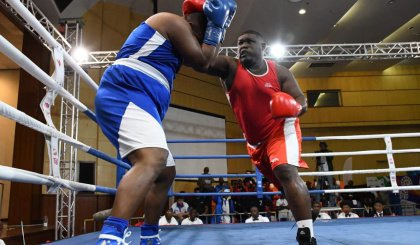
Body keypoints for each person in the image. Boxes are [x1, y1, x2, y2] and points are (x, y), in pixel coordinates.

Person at [94, 0, 236, 244]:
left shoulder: (178, 45)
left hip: (142, 100)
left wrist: (217, 28)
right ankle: (111, 235)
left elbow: (208, 60)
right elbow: (204, 61)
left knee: (166, 172)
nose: (205, 40)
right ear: (197, 23)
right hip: (126, 92)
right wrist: (216, 27)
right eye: (206, 30)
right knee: (153, 159)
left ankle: (149, 234)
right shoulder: (172, 21)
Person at [207, 30, 315, 244]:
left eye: (249, 41)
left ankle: (306, 234)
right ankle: (303, 210)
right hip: (254, 142)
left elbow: (301, 99)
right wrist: (211, 31)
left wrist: (295, 108)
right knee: (283, 185)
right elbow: (202, 61)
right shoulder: (230, 67)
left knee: (285, 170)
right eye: (239, 43)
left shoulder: (280, 72)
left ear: (263, 46)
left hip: (280, 129)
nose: (243, 46)